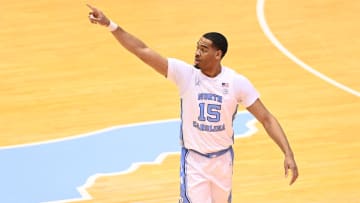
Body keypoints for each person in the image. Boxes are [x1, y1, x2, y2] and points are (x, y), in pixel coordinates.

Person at [86, 4, 298, 203]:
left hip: (223, 160)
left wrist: (287, 153)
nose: (197, 52)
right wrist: (110, 25)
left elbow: (267, 118)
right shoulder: (185, 75)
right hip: (194, 161)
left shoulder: (236, 82)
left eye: (204, 49)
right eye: (197, 47)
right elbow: (143, 51)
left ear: (218, 54)